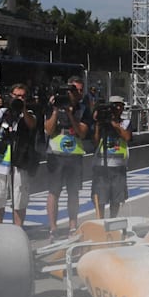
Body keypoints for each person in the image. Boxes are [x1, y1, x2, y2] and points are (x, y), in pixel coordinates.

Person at [0, 82, 39, 227]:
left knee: (19, 198)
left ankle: (18, 229)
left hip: (19, 161)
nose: (19, 98)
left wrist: (23, 107)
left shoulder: (28, 113)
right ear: (10, 96)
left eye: (23, 96)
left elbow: (32, 125)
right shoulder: (1, 112)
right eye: (17, 96)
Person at [44, 77, 91, 238]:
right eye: (75, 90)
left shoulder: (84, 108)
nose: (79, 93)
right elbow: (49, 130)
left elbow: (83, 133)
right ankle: (53, 228)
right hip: (55, 155)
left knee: (73, 192)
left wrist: (71, 115)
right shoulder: (53, 104)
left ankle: (72, 226)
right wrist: (57, 110)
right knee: (53, 192)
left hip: (74, 155)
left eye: (80, 90)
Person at [92, 95, 133, 219]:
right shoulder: (101, 122)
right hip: (101, 166)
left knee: (116, 198)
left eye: (120, 105)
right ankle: (100, 221)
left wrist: (115, 125)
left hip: (118, 167)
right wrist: (98, 124)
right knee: (100, 198)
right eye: (115, 105)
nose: (118, 108)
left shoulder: (125, 122)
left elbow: (127, 137)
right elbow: (94, 142)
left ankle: (113, 220)